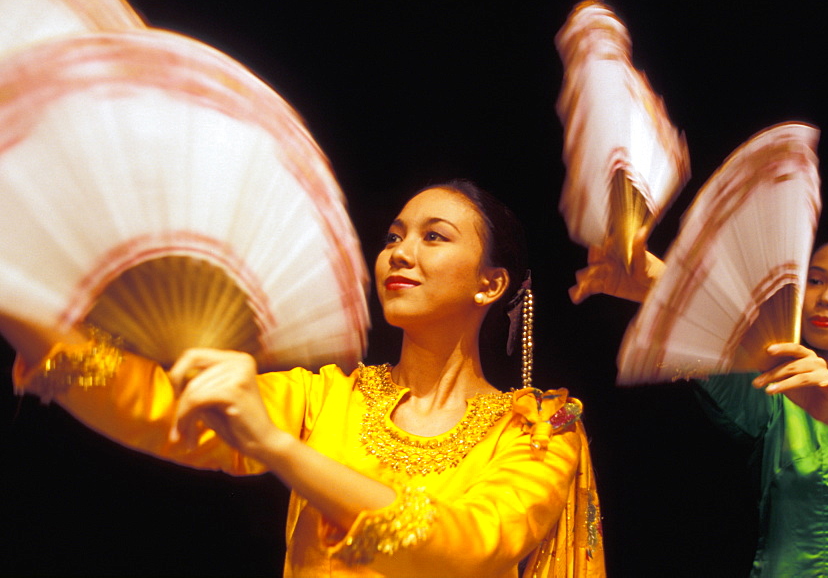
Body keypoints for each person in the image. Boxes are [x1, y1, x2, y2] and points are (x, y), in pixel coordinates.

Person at [10, 180, 606, 577]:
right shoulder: (323, 397)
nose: (399, 252)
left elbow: (466, 546)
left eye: (434, 236)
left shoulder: (539, 429)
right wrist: (21, 306)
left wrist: (277, 449)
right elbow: (163, 410)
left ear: (490, 284)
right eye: (394, 236)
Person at [572, 233, 828, 577]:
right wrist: (659, 281)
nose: (825, 297)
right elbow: (726, 342)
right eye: (814, 281)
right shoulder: (779, 395)